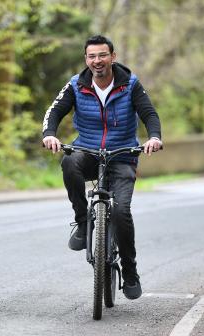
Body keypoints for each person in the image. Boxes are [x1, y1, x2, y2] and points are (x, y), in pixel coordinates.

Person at [41, 35, 162, 300]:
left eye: (102, 55)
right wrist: (49, 133)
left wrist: (154, 136)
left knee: (121, 212)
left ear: (113, 57)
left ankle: (130, 270)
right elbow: (55, 111)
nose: (97, 61)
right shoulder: (76, 84)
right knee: (69, 161)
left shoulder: (130, 84)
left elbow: (149, 113)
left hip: (122, 155)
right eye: (92, 56)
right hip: (88, 151)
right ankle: (84, 223)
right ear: (86, 59)